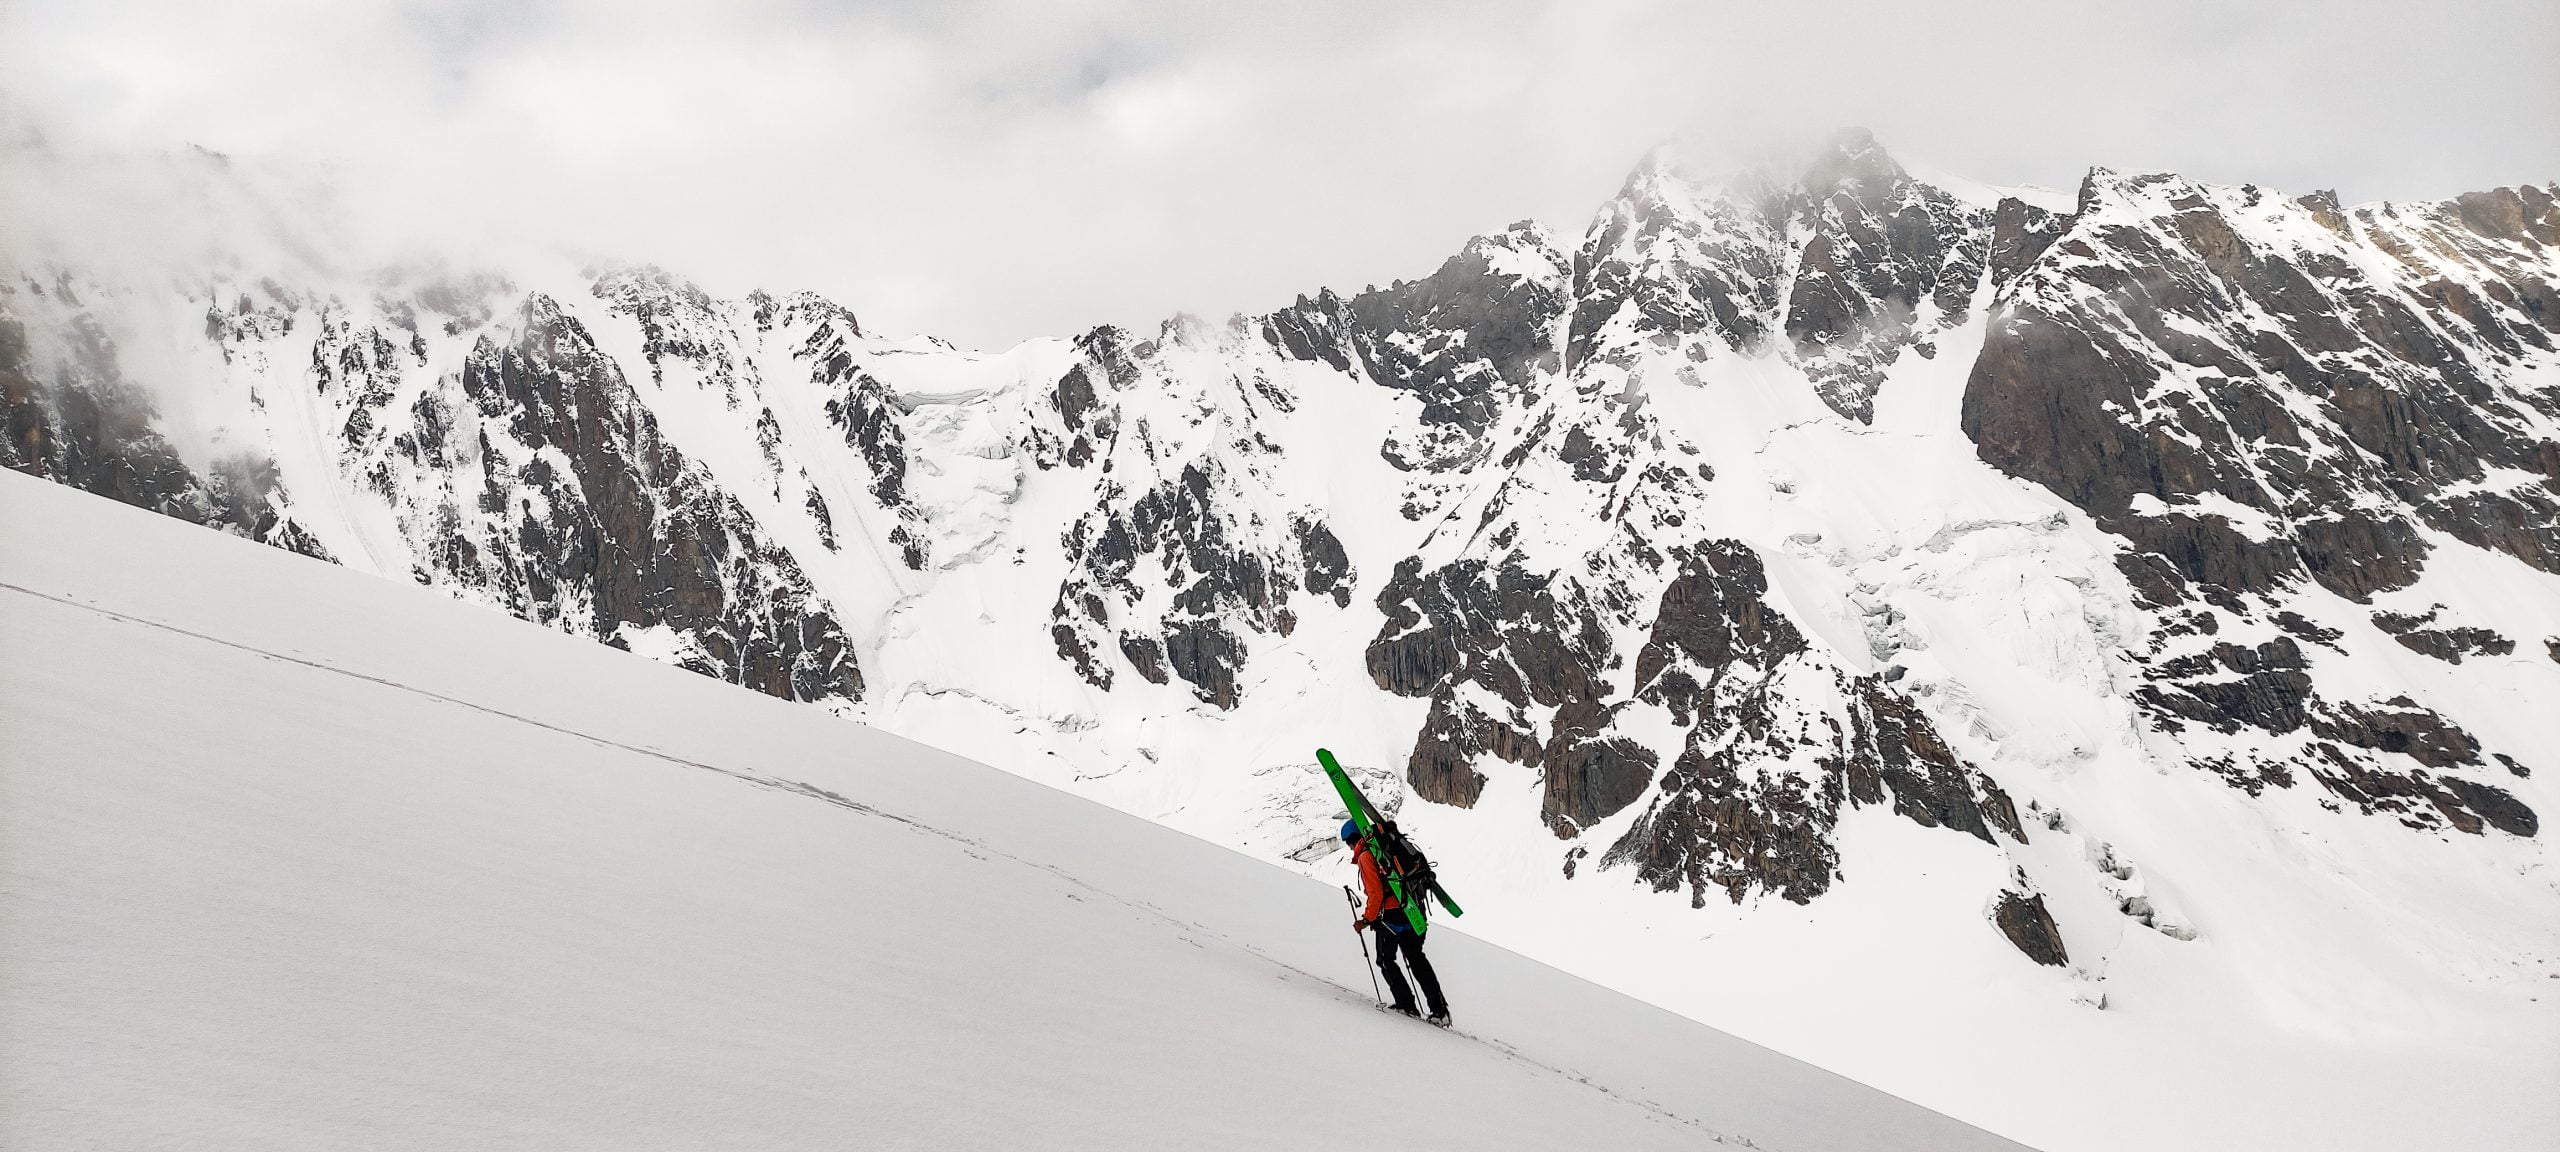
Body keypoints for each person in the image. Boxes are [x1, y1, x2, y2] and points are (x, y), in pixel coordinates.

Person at [1344, 819, 1450, 1025]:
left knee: (1385, 960)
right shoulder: (1390, 847)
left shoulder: (1367, 855)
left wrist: (1366, 920)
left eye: (1348, 843)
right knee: (1416, 958)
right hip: (1414, 911)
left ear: (1351, 840)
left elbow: (1375, 893)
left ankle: (1406, 1005)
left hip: (1391, 916)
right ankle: (1440, 1010)